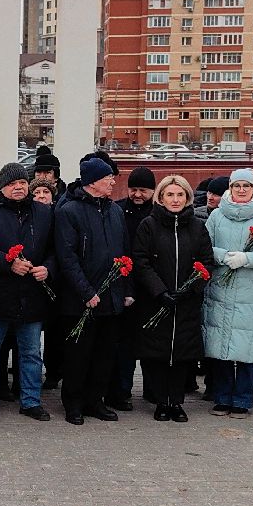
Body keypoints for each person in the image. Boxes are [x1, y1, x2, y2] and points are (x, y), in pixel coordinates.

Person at [0, 162, 54, 422]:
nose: (19, 187)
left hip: (32, 294)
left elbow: (55, 249)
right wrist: (7, 262)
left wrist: (47, 268)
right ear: (2, 187)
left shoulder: (43, 212)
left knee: (31, 353)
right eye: (13, 184)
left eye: (23, 183)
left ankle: (30, 401)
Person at [130, 175, 215, 422]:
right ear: (161, 197)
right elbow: (141, 261)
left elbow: (207, 262)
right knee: (157, 352)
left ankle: (176, 401)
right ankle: (160, 401)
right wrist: (160, 291)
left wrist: (191, 288)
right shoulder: (149, 224)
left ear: (187, 198)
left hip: (186, 301)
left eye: (180, 195)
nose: (175, 199)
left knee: (181, 354)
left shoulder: (198, 226)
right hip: (157, 300)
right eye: (170, 195)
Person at [53, 156, 129, 425]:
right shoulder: (69, 211)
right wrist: (86, 292)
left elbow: (124, 253)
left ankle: (96, 401)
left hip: (111, 297)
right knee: (78, 355)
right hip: (80, 300)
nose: (112, 181)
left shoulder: (115, 211)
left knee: (104, 354)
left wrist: (124, 289)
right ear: (93, 181)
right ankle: (73, 403)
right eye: (108, 177)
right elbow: (67, 258)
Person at [202, 170, 253, 416]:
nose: (242, 190)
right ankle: (222, 396)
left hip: (250, 290)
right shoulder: (217, 215)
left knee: (246, 349)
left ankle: (244, 399)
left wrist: (247, 258)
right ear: (230, 188)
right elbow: (203, 245)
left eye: (247, 185)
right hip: (220, 288)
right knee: (222, 344)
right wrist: (223, 256)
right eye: (237, 185)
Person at [108, 166, 158, 412]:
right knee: (123, 344)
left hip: (152, 286)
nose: (137, 195)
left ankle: (153, 389)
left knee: (150, 342)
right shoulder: (117, 210)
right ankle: (121, 391)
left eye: (143, 190)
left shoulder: (159, 213)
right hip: (124, 284)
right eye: (133, 189)